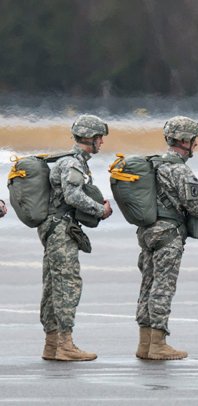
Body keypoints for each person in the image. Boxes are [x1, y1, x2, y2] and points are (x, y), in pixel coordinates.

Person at [135, 116, 198, 360]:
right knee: (163, 287)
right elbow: (194, 203)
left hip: (148, 233)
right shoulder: (179, 169)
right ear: (185, 141)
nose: (195, 145)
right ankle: (158, 344)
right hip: (169, 235)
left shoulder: (153, 165)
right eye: (194, 141)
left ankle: (144, 344)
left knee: (147, 286)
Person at [39, 114, 113, 361]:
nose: (101, 142)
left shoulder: (68, 161)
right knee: (67, 285)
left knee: (53, 286)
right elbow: (72, 196)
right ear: (89, 137)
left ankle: (52, 345)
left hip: (53, 228)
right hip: (61, 230)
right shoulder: (73, 163)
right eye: (99, 137)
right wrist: (99, 210)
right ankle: (65, 345)